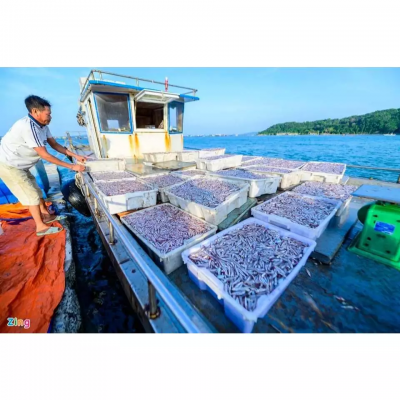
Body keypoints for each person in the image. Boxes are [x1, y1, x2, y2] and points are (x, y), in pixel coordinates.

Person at [0, 95, 86, 236]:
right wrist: (72, 167)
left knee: (36, 190)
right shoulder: (28, 127)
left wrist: (75, 156)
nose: (50, 117)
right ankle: (40, 227)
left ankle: (46, 215)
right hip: (9, 165)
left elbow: (55, 144)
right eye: (48, 114)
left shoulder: (43, 126)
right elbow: (45, 155)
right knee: (31, 195)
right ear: (35, 111)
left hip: (21, 165)